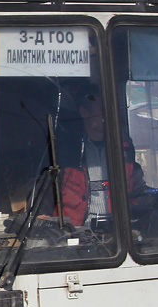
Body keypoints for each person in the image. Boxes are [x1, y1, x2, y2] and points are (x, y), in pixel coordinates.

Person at [58, 84, 145, 227]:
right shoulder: (66, 152)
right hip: (78, 233)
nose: (108, 117)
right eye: (103, 111)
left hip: (120, 234)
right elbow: (45, 194)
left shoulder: (123, 149)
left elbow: (138, 190)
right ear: (84, 112)